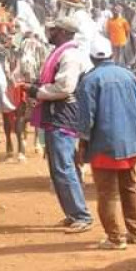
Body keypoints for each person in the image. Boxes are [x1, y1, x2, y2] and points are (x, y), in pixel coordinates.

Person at [76, 34, 136, 249]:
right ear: (111, 54)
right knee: (130, 187)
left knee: (107, 192)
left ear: (91, 57)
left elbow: (86, 118)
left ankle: (115, 238)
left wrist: (82, 143)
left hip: (103, 144)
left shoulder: (89, 80)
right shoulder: (129, 76)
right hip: (131, 142)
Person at [33, 16, 93, 233]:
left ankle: (81, 215)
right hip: (55, 114)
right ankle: (73, 213)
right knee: (59, 167)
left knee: (63, 167)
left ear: (65, 33)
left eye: (55, 30)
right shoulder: (61, 52)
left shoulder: (70, 55)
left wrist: (37, 92)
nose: (51, 33)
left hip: (63, 115)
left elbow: (65, 87)